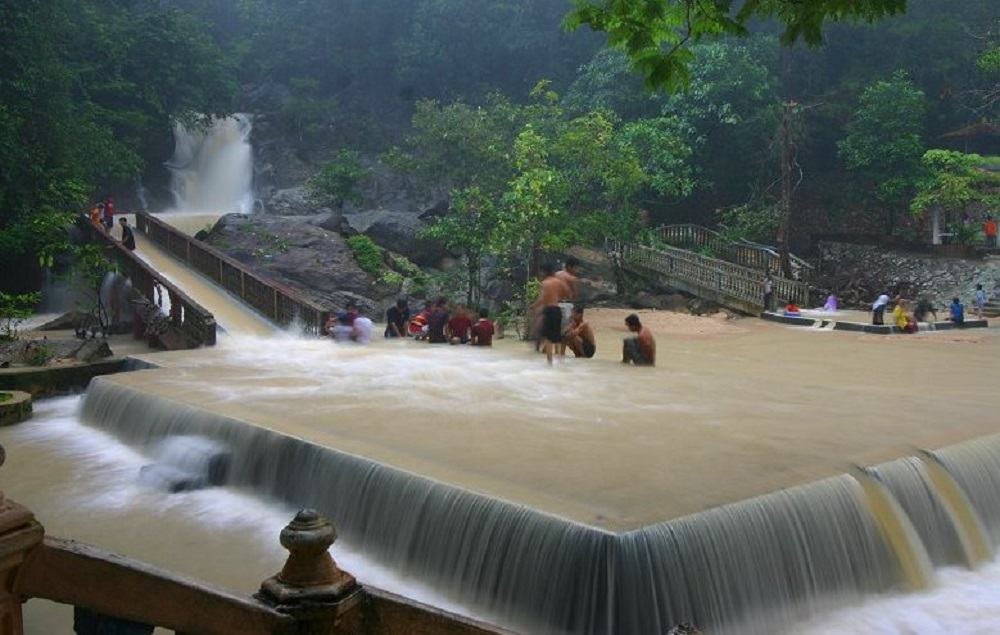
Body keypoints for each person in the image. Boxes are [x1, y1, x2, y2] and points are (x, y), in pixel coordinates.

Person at [532, 263, 571, 365]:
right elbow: (567, 292)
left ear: (545, 272)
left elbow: (542, 298)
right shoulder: (558, 282)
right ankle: (559, 360)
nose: (540, 273)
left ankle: (549, 362)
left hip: (548, 310)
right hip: (557, 309)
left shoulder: (545, 283)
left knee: (548, 337)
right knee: (557, 336)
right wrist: (558, 296)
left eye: (541, 271)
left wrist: (534, 306)